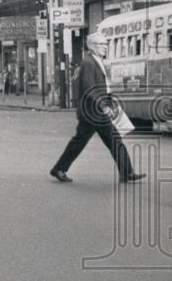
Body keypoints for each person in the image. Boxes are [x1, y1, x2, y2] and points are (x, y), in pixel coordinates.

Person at [50, 31, 145, 184]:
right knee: (112, 140)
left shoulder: (96, 61)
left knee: (84, 141)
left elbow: (102, 87)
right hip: (93, 111)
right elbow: (90, 88)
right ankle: (127, 172)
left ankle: (59, 168)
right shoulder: (88, 63)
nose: (105, 47)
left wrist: (110, 102)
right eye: (102, 44)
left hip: (95, 110)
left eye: (105, 44)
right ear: (92, 47)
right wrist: (102, 105)